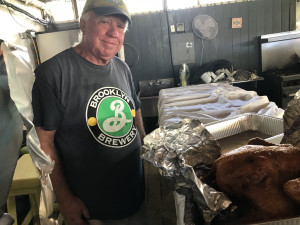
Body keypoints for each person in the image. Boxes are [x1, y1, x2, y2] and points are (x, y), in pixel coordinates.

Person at [31, 0, 146, 224]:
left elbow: (135, 108)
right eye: (105, 22)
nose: (114, 32)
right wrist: (64, 200)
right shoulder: (53, 73)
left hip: (135, 191)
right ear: (83, 25)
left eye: (121, 26)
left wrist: (144, 145)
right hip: (93, 207)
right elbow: (43, 144)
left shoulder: (121, 67)